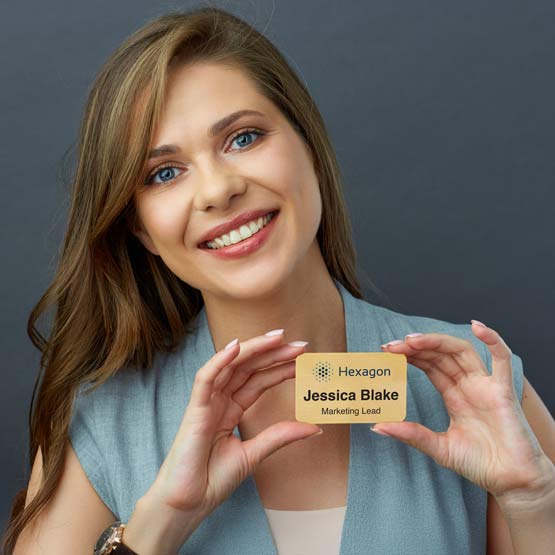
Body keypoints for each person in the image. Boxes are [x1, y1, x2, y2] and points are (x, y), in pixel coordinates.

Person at [3, 6, 555, 555]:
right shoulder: (105, 421)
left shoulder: (479, 390)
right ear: (141, 229)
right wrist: (157, 524)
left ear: (308, 146)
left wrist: (534, 503)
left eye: (243, 138)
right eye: (164, 174)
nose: (218, 191)